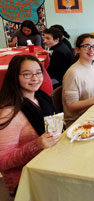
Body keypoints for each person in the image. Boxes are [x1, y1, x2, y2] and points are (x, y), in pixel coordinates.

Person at [0, 55, 61, 196]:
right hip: (26, 180)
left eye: (38, 73)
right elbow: (2, 161)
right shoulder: (8, 112)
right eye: (27, 74)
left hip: (49, 163)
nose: (35, 79)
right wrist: (37, 144)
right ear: (14, 76)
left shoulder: (40, 97)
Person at [62, 34, 94, 127]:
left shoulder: (93, 68)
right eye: (86, 46)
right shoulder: (73, 73)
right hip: (79, 122)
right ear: (77, 49)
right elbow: (71, 106)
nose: (91, 50)